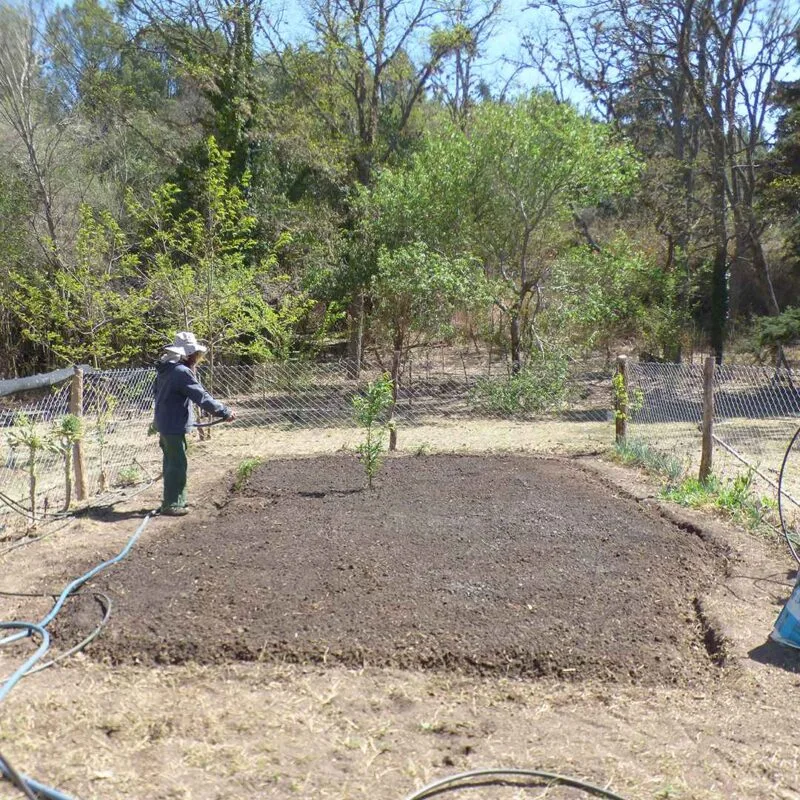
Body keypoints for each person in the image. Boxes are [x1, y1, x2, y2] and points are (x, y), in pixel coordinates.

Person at [153, 332, 235, 516]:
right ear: (188, 355)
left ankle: (171, 500)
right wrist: (225, 412)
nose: (198, 359)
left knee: (171, 462)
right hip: (173, 425)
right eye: (196, 355)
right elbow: (202, 397)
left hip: (165, 423)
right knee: (177, 464)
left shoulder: (166, 369)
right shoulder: (181, 372)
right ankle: (173, 504)